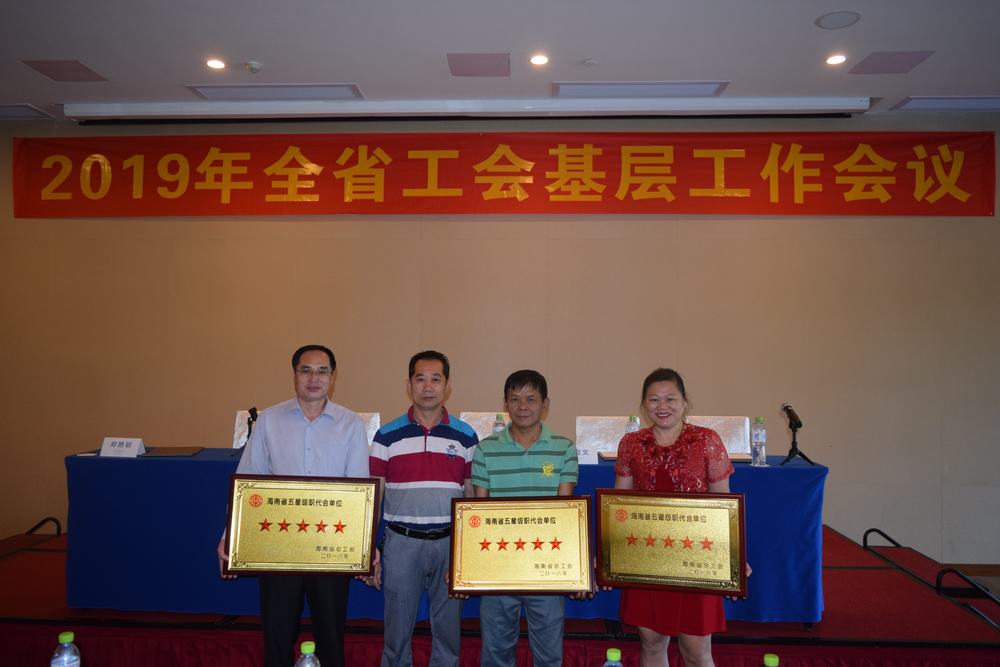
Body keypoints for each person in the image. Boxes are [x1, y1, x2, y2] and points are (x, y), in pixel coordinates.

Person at [216, 344, 370, 667]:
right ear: (294, 375)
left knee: (331, 639)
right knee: (277, 637)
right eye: (306, 370)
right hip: (278, 547)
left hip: (330, 548)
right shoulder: (270, 421)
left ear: (333, 377)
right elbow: (248, 481)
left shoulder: (351, 424)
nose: (314, 378)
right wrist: (230, 535)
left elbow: (359, 491)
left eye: (322, 371)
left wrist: (365, 544)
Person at [614, 368, 745, 667]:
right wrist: (611, 555)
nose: (662, 406)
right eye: (654, 399)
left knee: (696, 651)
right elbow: (619, 505)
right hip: (646, 556)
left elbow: (724, 504)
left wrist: (733, 556)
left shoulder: (707, 440)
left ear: (685, 402)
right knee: (651, 645)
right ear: (643, 405)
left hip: (696, 557)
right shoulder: (631, 443)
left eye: (671, 399)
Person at [367, 350, 478, 667]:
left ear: (448, 385)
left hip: (449, 544)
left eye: (435, 379)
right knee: (396, 634)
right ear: (408, 384)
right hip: (401, 543)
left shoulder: (466, 436)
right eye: (420, 379)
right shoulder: (386, 436)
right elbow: (374, 497)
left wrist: (466, 553)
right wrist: (369, 549)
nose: (428, 386)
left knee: (448, 635)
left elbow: (471, 497)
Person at [470, 370, 579, 667]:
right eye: (515, 399)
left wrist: (575, 568)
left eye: (531, 399)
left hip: (547, 569)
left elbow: (565, 513)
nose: (522, 406)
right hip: (498, 568)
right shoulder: (486, 450)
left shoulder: (564, 448)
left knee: (549, 655)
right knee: (496, 653)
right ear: (505, 404)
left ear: (545, 404)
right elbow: (480, 511)